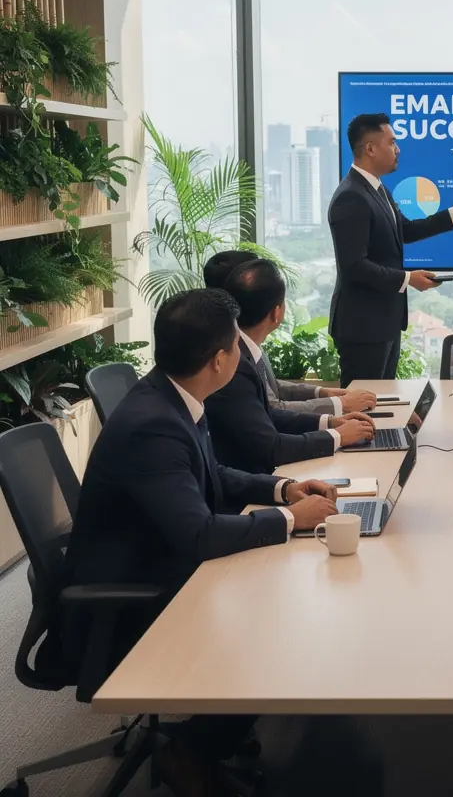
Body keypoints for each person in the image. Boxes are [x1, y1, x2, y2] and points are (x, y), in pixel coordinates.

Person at [65, 289, 339, 796]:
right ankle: (190, 752)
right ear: (218, 360)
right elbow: (198, 534)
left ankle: (217, 730)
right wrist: (289, 519)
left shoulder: (173, 393)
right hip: (134, 590)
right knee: (272, 621)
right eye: (235, 346)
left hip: (157, 555)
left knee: (278, 587)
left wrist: (282, 489)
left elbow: (211, 474)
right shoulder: (153, 425)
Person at [327, 112, 453, 383]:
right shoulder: (351, 197)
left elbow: (404, 230)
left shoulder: (376, 189)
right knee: (365, 409)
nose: (398, 149)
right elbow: (354, 267)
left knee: (382, 405)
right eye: (392, 142)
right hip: (363, 328)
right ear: (370, 148)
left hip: (383, 323)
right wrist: (407, 279)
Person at [207, 259, 376, 476]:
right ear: (277, 313)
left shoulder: (246, 346)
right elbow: (271, 438)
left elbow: (269, 411)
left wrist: (330, 421)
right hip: (252, 479)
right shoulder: (234, 361)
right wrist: (337, 433)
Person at [203, 250, 373, 415]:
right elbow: (271, 411)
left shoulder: (247, 339)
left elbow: (270, 387)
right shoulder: (231, 355)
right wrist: (339, 408)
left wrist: (321, 392)